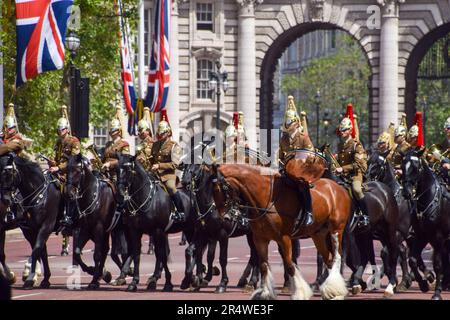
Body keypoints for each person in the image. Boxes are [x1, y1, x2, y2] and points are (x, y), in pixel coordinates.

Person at [278, 96, 314, 228]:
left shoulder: (303, 137)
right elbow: (281, 156)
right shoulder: (284, 139)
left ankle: (308, 212)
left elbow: (311, 154)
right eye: (287, 123)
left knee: (301, 185)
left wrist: (301, 162)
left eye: (291, 123)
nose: (289, 126)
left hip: (302, 170)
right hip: (287, 171)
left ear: (297, 123)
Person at [334, 107, 369, 228]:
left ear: (350, 130)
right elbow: (339, 161)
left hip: (355, 175)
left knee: (357, 190)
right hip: (342, 176)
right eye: (341, 130)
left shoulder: (356, 145)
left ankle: (365, 215)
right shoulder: (340, 145)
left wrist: (342, 169)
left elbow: (359, 164)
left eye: (344, 130)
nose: (341, 132)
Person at [150, 110, 185, 223]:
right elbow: (152, 159)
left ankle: (181, 211)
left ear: (168, 132)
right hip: (154, 174)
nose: (161, 135)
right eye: (160, 134)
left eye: (164, 133)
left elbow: (174, 164)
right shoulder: (155, 145)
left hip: (168, 175)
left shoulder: (174, 146)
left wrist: (159, 165)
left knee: (171, 188)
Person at [101, 107, 130, 182]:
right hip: (106, 173)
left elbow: (124, 160)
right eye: (111, 131)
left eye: (113, 131)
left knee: (120, 191)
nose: (111, 133)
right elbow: (104, 158)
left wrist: (110, 164)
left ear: (118, 131)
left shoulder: (124, 144)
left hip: (118, 174)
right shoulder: (108, 144)